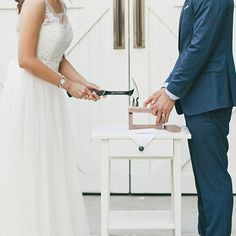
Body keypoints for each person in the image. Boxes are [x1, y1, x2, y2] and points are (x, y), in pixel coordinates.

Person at [0, 0, 101, 235]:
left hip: (48, 89)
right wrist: (68, 85)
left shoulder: (59, 3)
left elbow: (57, 57)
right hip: (29, 90)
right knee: (33, 164)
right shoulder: (36, 3)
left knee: (50, 162)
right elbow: (26, 59)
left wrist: (83, 82)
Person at [144, 0, 236, 235]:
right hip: (201, 98)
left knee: (213, 182)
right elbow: (189, 49)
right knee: (206, 183)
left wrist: (172, 93)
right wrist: (166, 89)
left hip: (210, 98)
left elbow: (200, 47)